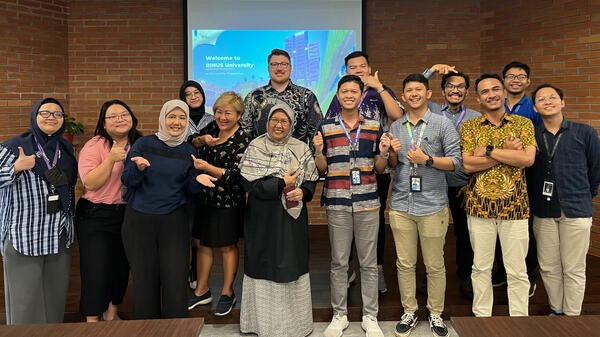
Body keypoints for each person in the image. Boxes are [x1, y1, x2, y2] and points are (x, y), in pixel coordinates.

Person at [121, 99, 216, 319]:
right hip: (140, 220)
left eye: (182, 117)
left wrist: (198, 180)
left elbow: (190, 189)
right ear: (163, 118)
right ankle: (146, 331)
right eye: (171, 116)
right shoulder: (144, 144)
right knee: (145, 281)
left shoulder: (188, 150)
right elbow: (127, 180)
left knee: (175, 280)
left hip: (174, 220)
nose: (177, 122)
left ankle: (176, 331)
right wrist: (139, 169)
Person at [315, 75, 390, 337]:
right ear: (337, 96)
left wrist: (382, 152)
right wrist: (317, 152)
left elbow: (380, 168)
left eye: (354, 91)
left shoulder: (372, 127)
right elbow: (322, 169)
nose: (349, 95)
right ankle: (340, 315)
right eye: (344, 91)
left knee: (369, 263)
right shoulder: (326, 127)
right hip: (337, 202)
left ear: (361, 96)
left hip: (368, 202)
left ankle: (371, 316)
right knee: (338, 263)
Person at [387, 74, 461, 337]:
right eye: (409, 91)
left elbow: (455, 162)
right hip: (400, 205)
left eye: (419, 89)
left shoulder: (442, 124)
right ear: (403, 97)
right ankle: (409, 311)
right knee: (405, 263)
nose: (414, 94)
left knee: (434, 265)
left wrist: (426, 159)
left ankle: (435, 314)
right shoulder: (396, 127)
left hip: (432, 206)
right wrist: (392, 153)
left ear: (429, 94)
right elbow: (392, 166)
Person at [238, 104, 319, 337]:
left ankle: (295, 326)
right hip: (262, 218)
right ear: (266, 122)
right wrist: (281, 183)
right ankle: (260, 324)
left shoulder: (300, 148)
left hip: (291, 219)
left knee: (290, 264)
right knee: (262, 264)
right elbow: (249, 184)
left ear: (291, 124)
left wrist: (303, 192)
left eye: (284, 121)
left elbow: (311, 181)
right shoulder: (256, 146)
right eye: (275, 120)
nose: (279, 125)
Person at [326, 51, 403, 293]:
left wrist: (379, 87)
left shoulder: (381, 90)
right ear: (346, 71)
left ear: (369, 68)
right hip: (346, 169)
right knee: (344, 219)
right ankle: (347, 269)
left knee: (374, 220)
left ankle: (376, 269)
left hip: (376, 166)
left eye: (362, 66)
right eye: (352, 67)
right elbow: (330, 127)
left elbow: (397, 116)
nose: (358, 70)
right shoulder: (342, 96)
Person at [460, 73, 536, 317]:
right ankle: (482, 318)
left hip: (515, 208)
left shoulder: (523, 124)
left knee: (516, 270)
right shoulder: (470, 126)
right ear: (479, 99)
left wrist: (490, 151)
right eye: (485, 91)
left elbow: (527, 159)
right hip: (479, 208)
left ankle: (519, 321)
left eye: (495, 89)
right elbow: (468, 165)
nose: (491, 94)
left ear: (504, 93)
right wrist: (505, 153)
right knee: (480, 268)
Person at [0, 97, 77, 324]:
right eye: (45, 113)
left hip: (58, 235)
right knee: (25, 305)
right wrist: (15, 168)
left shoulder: (65, 148)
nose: (51, 117)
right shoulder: (13, 147)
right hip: (25, 236)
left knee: (54, 303)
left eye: (57, 114)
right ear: (35, 116)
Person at [528, 84, 600, 316]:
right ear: (536, 108)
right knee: (548, 266)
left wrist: (585, 195)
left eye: (552, 97)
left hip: (576, 208)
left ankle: (572, 316)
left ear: (562, 102)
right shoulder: (532, 135)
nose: (547, 101)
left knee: (574, 268)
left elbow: (595, 170)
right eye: (541, 99)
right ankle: (556, 310)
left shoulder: (584, 132)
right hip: (543, 209)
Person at [76, 99, 142, 322]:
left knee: (121, 268)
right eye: (112, 116)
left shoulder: (140, 143)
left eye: (124, 114)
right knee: (95, 270)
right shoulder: (95, 145)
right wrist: (112, 160)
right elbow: (91, 183)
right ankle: (92, 321)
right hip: (95, 215)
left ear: (132, 118)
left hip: (127, 214)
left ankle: (111, 314)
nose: (120, 119)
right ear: (104, 124)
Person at [187, 92, 251, 316]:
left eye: (228, 113)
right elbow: (189, 143)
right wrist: (200, 140)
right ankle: (201, 291)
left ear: (239, 115)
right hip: (203, 199)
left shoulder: (244, 139)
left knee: (227, 246)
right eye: (218, 112)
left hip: (228, 201)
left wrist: (206, 167)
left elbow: (235, 175)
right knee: (202, 243)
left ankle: (227, 292)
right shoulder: (211, 130)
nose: (222, 117)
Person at [428, 71, 481, 298]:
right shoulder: (431, 111)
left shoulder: (476, 117)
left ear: (467, 92)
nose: (455, 90)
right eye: (450, 86)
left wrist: (472, 183)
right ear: (443, 90)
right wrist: (430, 70)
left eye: (460, 86)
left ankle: (465, 276)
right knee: (432, 233)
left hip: (463, 185)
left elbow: (481, 155)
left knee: (464, 233)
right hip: (435, 183)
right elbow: (414, 89)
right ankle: (429, 277)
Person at [493, 61, 541, 296]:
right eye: (511, 76)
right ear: (503, 80)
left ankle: (528, 274)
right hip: (497, 174)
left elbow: (537, 144)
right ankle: (502, 271)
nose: (515, 80)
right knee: (499, 221)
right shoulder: (495, 104)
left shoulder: (534, 108)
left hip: (526, 174)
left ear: (528, 82)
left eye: (521, 77)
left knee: (524, 227)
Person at [241, 48, 323, 147]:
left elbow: (317, 132)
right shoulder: (254, 96)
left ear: (290, 67)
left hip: (297, 159)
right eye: (274, 64)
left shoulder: (306, 96)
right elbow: (244, 133)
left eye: (284, 64)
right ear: (268, 68)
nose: (279, 68)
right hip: (260, 159)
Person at [179, 79, 214, 290]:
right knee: (185, 229)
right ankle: (182, 272)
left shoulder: (213, 119)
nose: (193, 97)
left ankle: (196, 273)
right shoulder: (178, 119)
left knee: (201, 232)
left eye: (197, 92)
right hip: (184, 179)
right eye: (188, 94)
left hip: (208, 178)